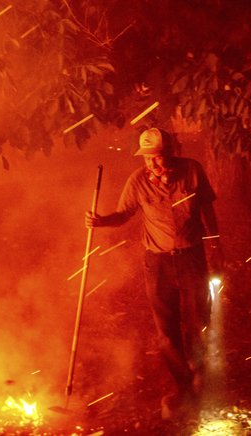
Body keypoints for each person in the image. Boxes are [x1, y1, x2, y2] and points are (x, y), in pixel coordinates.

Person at [85, 127, 224, 420]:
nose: (152, 163)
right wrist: (101, 221)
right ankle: (183, 384)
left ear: (171, 151)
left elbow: (207, 211)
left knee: (198, 319)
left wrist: (215, 247)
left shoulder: (192, 171)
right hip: (158, 263)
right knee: (166, 329)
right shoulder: (138, 181)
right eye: (147, 157)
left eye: (157, 156)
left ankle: (199, 373)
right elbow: (123, 215)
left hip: (192, 257)